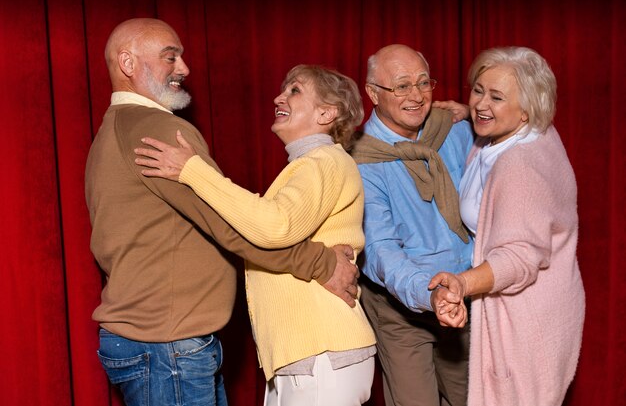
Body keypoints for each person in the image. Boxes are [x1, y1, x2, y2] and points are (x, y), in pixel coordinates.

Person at [85, 18, 360, 406]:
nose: (184, 69)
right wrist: (321, 263)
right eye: (170, 57)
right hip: (169, 345)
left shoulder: (113, 129)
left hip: (160, 341)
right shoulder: (156, 129)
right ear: (128, 63)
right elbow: (234, 226)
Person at [134, 64, 377, 406]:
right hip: (306, 354)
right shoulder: (312, 164)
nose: (279, 96)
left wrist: (193, 171)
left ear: (326, 113)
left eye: (295, 90)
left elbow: (274, 226)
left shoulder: (321, 162)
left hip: (321, 352)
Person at [429, 46, 585, 406]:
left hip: (525, 324)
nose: (482, 103)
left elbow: (518, 258)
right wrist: (472, 112)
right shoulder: (517, 134)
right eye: (478, 90)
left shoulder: (520, 167)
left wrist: (462, 283)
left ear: (527, 109)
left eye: (496, 97)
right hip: (530, 310)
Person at [350, 44, 474, 406]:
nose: (417, 96)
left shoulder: (454, 131)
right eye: (401, 86)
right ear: (373, 93)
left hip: (463, 293)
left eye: (424, 83)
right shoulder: (360, 158)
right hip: (400, 304)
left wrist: (472, 111)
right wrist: (430, 292)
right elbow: (379, 250)